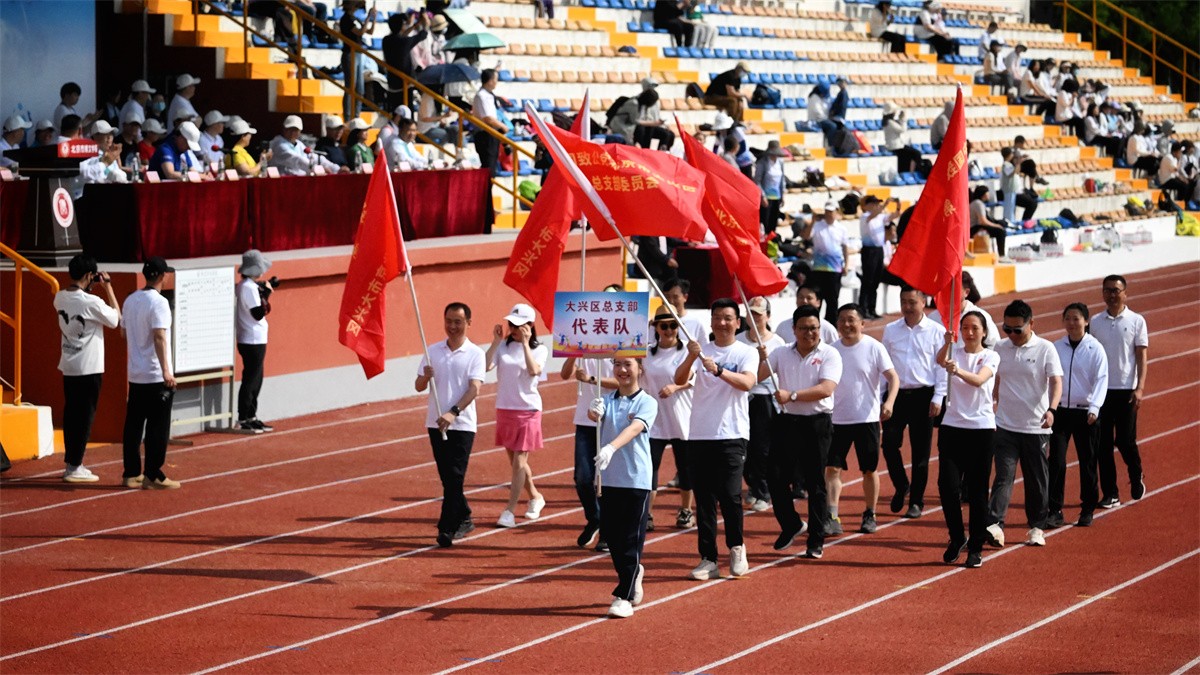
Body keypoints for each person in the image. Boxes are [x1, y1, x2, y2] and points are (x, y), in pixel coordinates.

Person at [673, 298, 758, 580]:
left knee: (731, 496)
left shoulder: (746, 352)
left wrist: (720, 370)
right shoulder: (700, 351)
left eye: (727, 317)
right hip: (699, 433)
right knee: (704, 500)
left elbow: (747, 383)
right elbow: (679, 377)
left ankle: (736, 547)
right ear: (711, 321)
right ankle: (708, 558)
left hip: (731, 434)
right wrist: (689, 356)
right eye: (717, 317)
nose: (722, 322)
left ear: (737, 322)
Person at [763, 305, 841, 558]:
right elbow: (757, 375)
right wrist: (760, 355)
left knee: (814, 482)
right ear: (794, 330)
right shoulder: (781, 352)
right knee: (775, 476)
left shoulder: (830, 354)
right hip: (787, 422)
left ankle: (816, 538)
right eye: (805, 329)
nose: (810, 333)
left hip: (817, 423)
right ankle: (792, 523)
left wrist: (792, 395)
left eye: (814, 328)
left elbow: (826, 388)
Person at [985, 300, 1062, 548]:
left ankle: (1037, 527)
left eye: (1017, 330)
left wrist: (1052, 409)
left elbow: (1056, 382)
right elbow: (996, 377)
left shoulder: (1046, 349)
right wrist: (992, 401)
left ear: (1031, 324)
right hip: (1006, 425)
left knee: (1036, 480)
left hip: (1035, 427)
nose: (1012, 335)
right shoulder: (1000, 347)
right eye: (1007, 329)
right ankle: (995, 525)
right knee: (1003, 477)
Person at [589, 355, 658, 619]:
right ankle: (634, 572)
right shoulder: (606, 399)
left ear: (640, 368)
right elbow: (594, 415)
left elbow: (635, 428)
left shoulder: (646, 402)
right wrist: (594, 411)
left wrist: (610, 447)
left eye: (628, 364)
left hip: (635, 479)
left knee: (630, 539)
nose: (622, 370)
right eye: (617, 364)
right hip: (608, 479)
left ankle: (624, 595)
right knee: (613, 538)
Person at [417, 302, 487, 547]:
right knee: (448, 477)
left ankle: (447, 528)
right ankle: (465, 515)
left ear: (468, 323)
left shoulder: (475, 354)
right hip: (435, 423)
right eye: (449, 321)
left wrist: (453, 412)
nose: (453, 326)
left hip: (462, 424)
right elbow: (418, 385)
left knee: (455, 475)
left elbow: (474, 389)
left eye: (458, 321)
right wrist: (425, 375)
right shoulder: (433, 350)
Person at [934, 311, 999, 568]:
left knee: (977, 491)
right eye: (964, 327)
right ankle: (957, 536)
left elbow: (980, 380)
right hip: (952, 427)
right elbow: (940, 360)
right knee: (947, 487)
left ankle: (976, 547)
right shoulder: (954, 352)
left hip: (981, 429)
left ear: (983, 331)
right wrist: (947, 342)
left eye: (974, 328)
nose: (969, 332)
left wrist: (958, 370)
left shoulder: (991, 356)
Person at [827, 303, 899, 535]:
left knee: (869, 469)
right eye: (842, 320)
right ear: (837, 324)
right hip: (836, 419)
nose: (847, 325)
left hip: (866, 418)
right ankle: (832, 514)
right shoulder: (830, 350)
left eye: (851, 320)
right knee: (832, 468)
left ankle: (870, 513)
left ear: (862, 323)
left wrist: (888, 402)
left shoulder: (874, 347)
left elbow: (893, 377)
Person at [881, 287, 947, 519]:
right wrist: (882, 395)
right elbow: (884, 365)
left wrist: (939, 396)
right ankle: (902, 485)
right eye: (903, 302)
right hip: (896, 395)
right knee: (888, 444)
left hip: (923, 396)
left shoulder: (936, 331)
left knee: (920, 453)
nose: (907, 307)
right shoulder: (891, 330)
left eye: (912, 302)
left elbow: (941, 367)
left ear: (923, 302)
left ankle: (916, 502)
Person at [54, 255, 120, 483]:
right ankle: (75, 465)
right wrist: (108, 287)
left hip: (69, 365)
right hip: (89, 368)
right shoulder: (91, 303)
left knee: (71, 415)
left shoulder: (59, 297)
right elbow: (115, 319)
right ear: (89, 276)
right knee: (84, 417)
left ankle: (71, 462)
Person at [486, 303, 549, 528]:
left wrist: (524, 344)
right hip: (505, 408)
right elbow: (485, 366)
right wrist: (495, 341)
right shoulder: (503, 346)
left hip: (528, 410)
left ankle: (509, 510)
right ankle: (536, 497)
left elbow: (534, 371)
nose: (513, 328)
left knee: (520, 462)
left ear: (530, 326)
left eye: (518, 325)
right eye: (511, 324)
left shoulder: (540, 349)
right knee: (516, 463)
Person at [121, 257, 180, 490]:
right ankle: (153, 473)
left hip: (136, 373)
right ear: (161, 276)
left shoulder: (131, 300)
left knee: (134, 425)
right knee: (158, 427)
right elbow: (159, 335)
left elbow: (124, 333)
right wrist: (167, 370)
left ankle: (131, 472)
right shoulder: (159, 303)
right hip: (155, 374)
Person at [1091, 274, 1148, 508]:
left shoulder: (1136, 321)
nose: (1112, 294)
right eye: (1107, 290)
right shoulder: (1095, 321)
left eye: (1116, 290)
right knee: (1102, 445)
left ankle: (1136, 476)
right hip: (1102, 391)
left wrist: (1140, 387)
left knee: (1125, 440)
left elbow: (1141, 355)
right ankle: (1111, 492)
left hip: (1126, 390)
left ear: (1125, 292)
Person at [1049, 302, 1108, 529]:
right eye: (1068, 319)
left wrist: (1094, 407)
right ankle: (1054, 509)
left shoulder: (1096, 349)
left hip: (1086, 413)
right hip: (1061, 411)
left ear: (1086, 321)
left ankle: (1087, 508)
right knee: (1056, 462)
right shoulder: (1056, 347)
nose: (1072, 323)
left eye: (1076, 319)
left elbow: (1102, 380)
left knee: (1087, 461)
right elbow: (1051, 379)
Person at [642, 307, 695, 529]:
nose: (669, 330)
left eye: (674, 325)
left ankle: (686, 510)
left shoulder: (686, 353)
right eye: (664, 326)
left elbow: (693, 379)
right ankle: (647, 514)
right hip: (654, 420)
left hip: (681, 417)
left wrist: (675, 386)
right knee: (649, 467)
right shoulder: (645, 353)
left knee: (685, 468)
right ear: (656, 328)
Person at [561, 352, 615, 551]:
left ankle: (607, 533)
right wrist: (572, 355)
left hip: (612, 421)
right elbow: (565, 374)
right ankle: (595, 518)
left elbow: (624, 382)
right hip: (585, 422)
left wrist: (592, 379)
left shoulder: (617, 346)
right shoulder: (583, 350)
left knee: (607, 480)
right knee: (583, 477)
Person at [736, 297, 785, 512]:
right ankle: (753, 486)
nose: (754, 317)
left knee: (762, 447)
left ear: (768, 316)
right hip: (740, 397)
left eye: (758, 313)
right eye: (750, 313)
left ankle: (762, 491)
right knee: (742, 446)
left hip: (764, 398)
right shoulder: (738, 340)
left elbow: (782, 374)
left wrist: (765, 359)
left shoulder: (777, 343)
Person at [235, 250, 276, 432]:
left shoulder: (247, 285)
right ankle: (244, 417)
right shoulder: (248, 288)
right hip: (252, 339)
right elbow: (258, 313)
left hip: (252, 338)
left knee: (256, 378)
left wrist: (264, 290)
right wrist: (266, 294)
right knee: (251, 379)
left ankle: (251, 415)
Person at [802, 201, 850, 324]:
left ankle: (831, 326)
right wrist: (812, 221)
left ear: (836, 212)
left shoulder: (841, 228)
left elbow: (845, 247)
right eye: (827, 211)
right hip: (819, 268)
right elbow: (806, 236)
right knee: (818, 299)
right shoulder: (817, 225)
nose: (829, 214)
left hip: (834, 269)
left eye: (831, 212)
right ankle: (814, 323)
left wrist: (846, 265)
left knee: (832, 300)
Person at [928, 271, 999, 348]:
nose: (949, 293)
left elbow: (995, 346)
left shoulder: (981, 317)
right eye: (945, 288)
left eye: (954, 289)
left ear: (966, 292)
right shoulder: (932, 318)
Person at [858, 195, 899, 320]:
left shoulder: (880, 217)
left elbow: (895, 215)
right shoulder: (865, 217)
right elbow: (874, 214)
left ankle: (872, 308)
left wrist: (898, 205)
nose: (877, 206)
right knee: (867, 281)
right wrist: (886, 204)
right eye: (874, 203)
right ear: (868, 205)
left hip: (878, 250)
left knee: (875, 280)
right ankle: (863, 309)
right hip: (869, 250)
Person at [381, 11, 429, 111]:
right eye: (404, 24)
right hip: (405, 84)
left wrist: (415, 25)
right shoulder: (404, 42)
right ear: (401, 26)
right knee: (407, 112)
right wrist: (426, 24)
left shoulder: (386, 40)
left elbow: (400, 35)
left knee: (395, 111)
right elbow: (422, 35)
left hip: (392, 82)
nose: (405, 25)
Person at [339, 0, 377, 118]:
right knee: (350, 87)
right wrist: (368, 18)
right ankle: (348, 116)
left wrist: (373, 18)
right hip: (350, 53)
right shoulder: (346, 19)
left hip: (358, 54)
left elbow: (369, 31)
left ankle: (356, 115)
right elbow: (360, 32)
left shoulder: (354, 18)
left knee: (359, 88)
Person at [269, 115, 340, 176]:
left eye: (295, 130)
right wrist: (318, 169)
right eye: (289, 129)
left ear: (300, 132)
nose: (292, 132)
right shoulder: (278, 144)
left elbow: (314, 157)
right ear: (284, 129)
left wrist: (336, 169)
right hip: (282, 183)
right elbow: (297, 160)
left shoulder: (299, 144)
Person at [471, 69, 508, 174]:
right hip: (485, 135)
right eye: (495, 79)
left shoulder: (489, 95)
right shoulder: (482, 96)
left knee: (491, 167)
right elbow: (488, 118)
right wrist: (503, 127)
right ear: (490, 81)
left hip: (491, 134)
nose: (497, 82)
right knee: (488, 168)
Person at [754, 140, 787, 236]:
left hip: (776, 196)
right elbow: (757, 181)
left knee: (773, 222)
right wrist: (762, 195)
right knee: (765, 222)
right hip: (766, 197)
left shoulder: (780, 163)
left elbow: (782, 179)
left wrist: (783, 194)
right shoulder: (763, 163)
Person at [661, 278, 708, 346]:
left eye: (675, 297)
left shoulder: (696, 322)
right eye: (667, 297)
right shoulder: (657, 323)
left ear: (685, 297)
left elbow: (705, 349)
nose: (671, 301)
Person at [969, 185, 1008, 258]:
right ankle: (1002, 255)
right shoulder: (978, 203)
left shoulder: (977, 203)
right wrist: (997, 226)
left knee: (1001, 225)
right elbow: (982, 221)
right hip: (974, 229)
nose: (989, 195)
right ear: (983, 194)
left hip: (976, 227)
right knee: (1000, 232)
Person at [883, 102, 920, 174]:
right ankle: (915, 172)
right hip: (896, 147)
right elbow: (902, 130)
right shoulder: (890, 122)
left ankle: (906, 172)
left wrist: (900, 119)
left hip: (897, 145)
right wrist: (903, 119)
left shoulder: (888, 122)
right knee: (916, 154)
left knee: (907, 156)